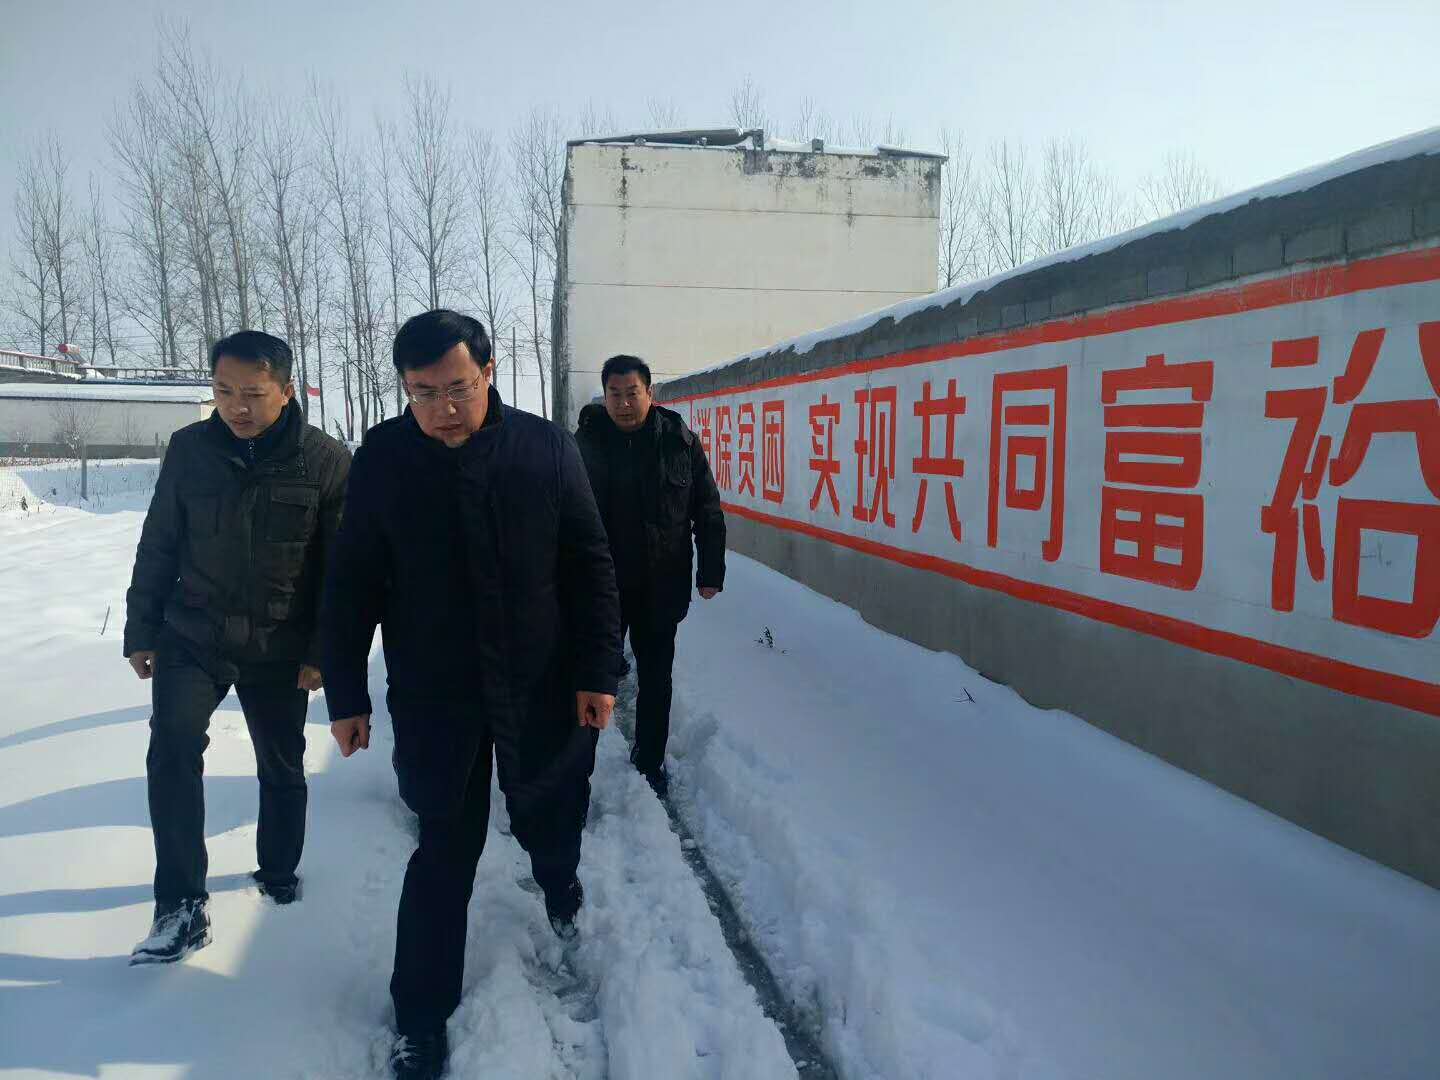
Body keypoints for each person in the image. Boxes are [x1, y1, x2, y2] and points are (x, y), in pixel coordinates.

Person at [320, 310, 622, 1080]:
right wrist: (347, 692)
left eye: (457, 387)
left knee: (550, 811)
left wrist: (598, 672)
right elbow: (352, 580)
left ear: (488, 373)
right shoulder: (385, 459)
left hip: (541, 683)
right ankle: (419, 1018)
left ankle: (559, 882)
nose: (443, 408)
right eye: (422, 393)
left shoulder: (545, 450)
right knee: (443, 849)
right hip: (437, 692)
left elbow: (589, 563)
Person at [123, 330, 350, 965]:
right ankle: (179, 906)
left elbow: (339, 570)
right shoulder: (190, 449)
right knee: (171, 751)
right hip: (193, 634)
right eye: (224, 392)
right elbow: (159, 540)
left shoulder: (325, 460)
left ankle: (278, 870)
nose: (237, 406)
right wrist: (141, 628)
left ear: (286, 390)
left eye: (253, 392)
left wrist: (322, 651)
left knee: (281, 763)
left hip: (280, 643)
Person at [574, 354, 726, 797]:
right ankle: (576, 766)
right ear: (605, 397)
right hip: (600, 587)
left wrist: (710, 570)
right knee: (591, 675)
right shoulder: (584, 445)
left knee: (657, 677)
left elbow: (707, 509)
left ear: (650, 393)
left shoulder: (679, 442)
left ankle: (649, 762)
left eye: (632, 393)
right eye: (615, 394)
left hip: (661, 583)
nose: (624, 403)